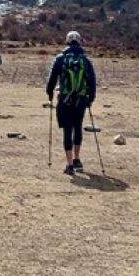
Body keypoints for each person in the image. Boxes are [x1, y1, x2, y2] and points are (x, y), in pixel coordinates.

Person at [46, 30, 96, 176]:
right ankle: (77, 158)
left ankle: (69, 165)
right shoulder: (85, 60)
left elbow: (52, 79)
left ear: (67, 41)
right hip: (81, 99)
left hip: (65, 99)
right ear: (80, 41)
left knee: (67, 130)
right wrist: (90, 99)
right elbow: (92, 81)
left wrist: (49, 94)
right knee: (78, 127)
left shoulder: (60, 58)